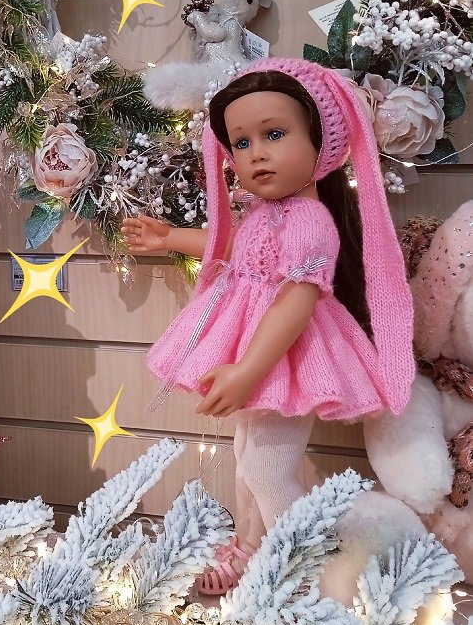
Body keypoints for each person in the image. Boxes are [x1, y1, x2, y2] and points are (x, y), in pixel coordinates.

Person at [121, 58, 415, 594]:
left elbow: (296, 301)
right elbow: (236, 246)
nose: (256, 153)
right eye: (241, 142)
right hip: (260, 355)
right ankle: (254, 548)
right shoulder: (267, 213)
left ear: (320, 141)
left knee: (268, 470)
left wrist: (248, 370)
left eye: (274, 134)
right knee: (248, 459)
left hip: (289, 358)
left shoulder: (311, 221)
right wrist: (171, 238)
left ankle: (299, 573)